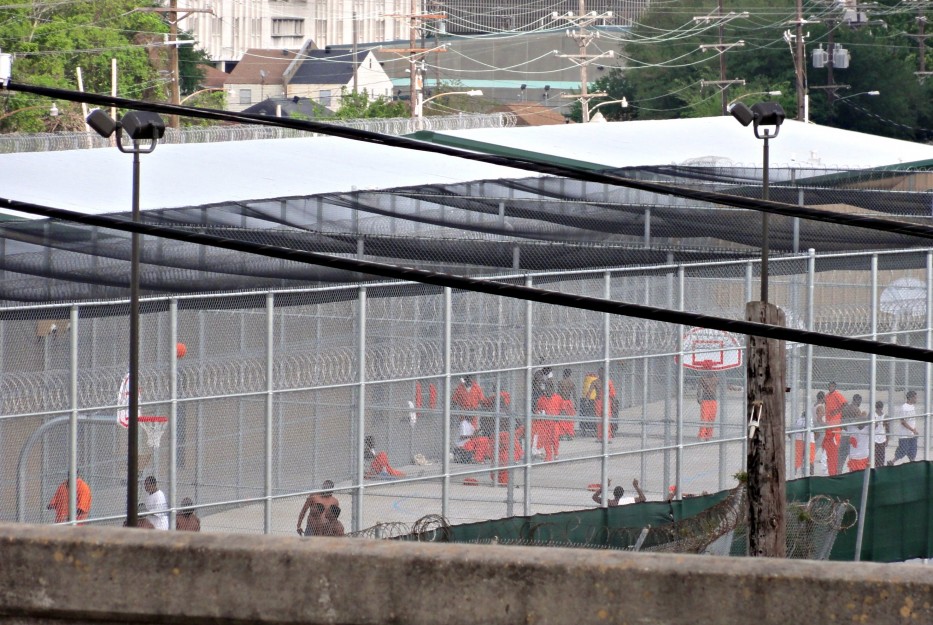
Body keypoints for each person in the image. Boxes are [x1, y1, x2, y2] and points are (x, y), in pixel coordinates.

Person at [822, 382, 847, 476]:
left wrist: (836, 411)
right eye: (829, 386)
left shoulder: (837, 394)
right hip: (829, 422)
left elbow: (844, 404)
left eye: (832, 386)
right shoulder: (827, 396)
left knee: (834, 439)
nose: (831, 387)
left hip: (835, 421)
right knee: (828, 440)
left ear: (835, 387)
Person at [890, 390, 920, 466]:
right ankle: (892, 462)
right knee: (903, 451)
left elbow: (912, 421)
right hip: (905, 435)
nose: (916, 399)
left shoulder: (912, 407)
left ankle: (912, 464)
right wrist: (912, 430)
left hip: (912, 434)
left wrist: (914, 430)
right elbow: (903, 421)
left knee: (912, 451)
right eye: (915, 398)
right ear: (910, 398)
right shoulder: (904, 407)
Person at [839, 394, 865, 472]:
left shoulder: (845, 409)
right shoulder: (856, 410)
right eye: (860, 402)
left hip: (844, 434)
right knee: (854, 455)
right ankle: (852, 471)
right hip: (853, 436)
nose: (860, 403)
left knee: (842, 457)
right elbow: (860, 426)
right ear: (857, 401)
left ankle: (839, 471)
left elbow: (841, 423)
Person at [793, 409, 816, 477]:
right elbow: (817, 433)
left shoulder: (798, 420)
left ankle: (794, 472)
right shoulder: (812, 421)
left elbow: (791, 433)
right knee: (811, 459)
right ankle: (811, 473)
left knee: (797, 458)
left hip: (799, 440)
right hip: (810, 441)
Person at [697, 375, 718, 440]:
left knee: (711, 418)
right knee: (704, 418)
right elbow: (699, 388)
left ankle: (708, 435)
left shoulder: (716, 378)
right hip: (705, 399)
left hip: (713, 400)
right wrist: (698, 397)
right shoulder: (702, 378)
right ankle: (702, 435)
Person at [872, 401, 888, 467]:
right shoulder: (873, 415)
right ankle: (878, 466)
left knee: (880, 456)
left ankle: (880, 466)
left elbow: (887, 428)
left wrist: (887, 439)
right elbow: (873, 427)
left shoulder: (884, 416)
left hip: (881, 438)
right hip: (875, 439)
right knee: (877, 456)